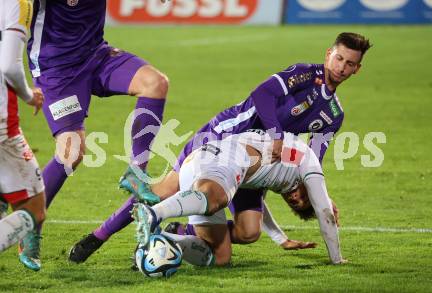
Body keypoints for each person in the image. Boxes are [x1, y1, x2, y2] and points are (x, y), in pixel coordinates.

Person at [69, 32, 371, 262]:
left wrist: (322, 199)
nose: (342, 67)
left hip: (258, 158)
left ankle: (176, 234)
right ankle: (98, 237)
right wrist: (278, 135)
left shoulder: (334, 115)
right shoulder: (304, 74)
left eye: (350, 64)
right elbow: (262, 95)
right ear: (329, 53)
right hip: (224, 134)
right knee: (164, 191)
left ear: (357, 69)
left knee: (249, 231)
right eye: (339, 58)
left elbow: (315, 161)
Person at [21, 0, 172, 268]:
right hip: (57, 69)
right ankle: (30, 224)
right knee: (71, 152)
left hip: (96, 54)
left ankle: (136, 173)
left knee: (155, 83)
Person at [133, 131, 346, 266]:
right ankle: (154, 212)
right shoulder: (309, 166)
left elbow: (259, 207)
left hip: (202, 164)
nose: (297, 200)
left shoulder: (277, 176)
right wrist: (336, 259)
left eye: (297, 206)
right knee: (217, 199)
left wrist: (281, 238)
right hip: (222, 159)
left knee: (219, 256)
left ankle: (159, 243)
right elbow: (324, 212)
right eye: (305, 199)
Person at [0, 0, 46, 271]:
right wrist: (29, 96)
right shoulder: (19, 2)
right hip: (3, 127)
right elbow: (9, 67)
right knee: (34, 208)